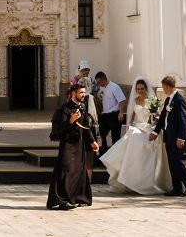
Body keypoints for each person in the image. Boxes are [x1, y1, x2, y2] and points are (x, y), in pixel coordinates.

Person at [102, 76, 171, 195]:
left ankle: (146, 181)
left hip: (149, 127)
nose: (140, 91)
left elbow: (157, 117)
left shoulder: (152, 100)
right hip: (137, 127)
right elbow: (131, 118)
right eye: (138, 89)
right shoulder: (134, 101)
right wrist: (129, 128)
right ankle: (130, 179)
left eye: (142, 89)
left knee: (147, 143)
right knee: (133, 140)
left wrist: (155, 118)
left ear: (145, 89)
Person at [47, 81, 100, 210]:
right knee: (66, 171)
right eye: (81, 92)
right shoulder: (64, 109)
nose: (83, 95)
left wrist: (92, 141)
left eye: (84, 92)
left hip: (79, 145)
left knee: (79, 172)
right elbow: (56, 132)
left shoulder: (82, 107)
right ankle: (62, 200)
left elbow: (85, 127)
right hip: (68, 146)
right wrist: (70, 121)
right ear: (73, 93)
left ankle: (80, 197)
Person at [149, 74, 186, 196]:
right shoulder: (168, 100)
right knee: (172, 162)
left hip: (178, 138)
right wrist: (155, 132)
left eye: (163, 86)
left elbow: (182, 119)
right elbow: (163, 117)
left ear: (167, 86)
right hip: (169, 136)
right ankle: (177, 188)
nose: (163, 89)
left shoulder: (179, 100)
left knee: (177, 162)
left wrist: (181, 137)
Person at [94, 71, 126, 152]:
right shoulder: (104, 89)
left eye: (98, 82)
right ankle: (103, 152)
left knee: (115, 137)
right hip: (106, 116)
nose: (98, 84)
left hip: (114, 115)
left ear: (103, 79)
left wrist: (121, 112)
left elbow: (122, 100)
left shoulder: (114, 87)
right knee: (100, 135)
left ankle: (115, 156)